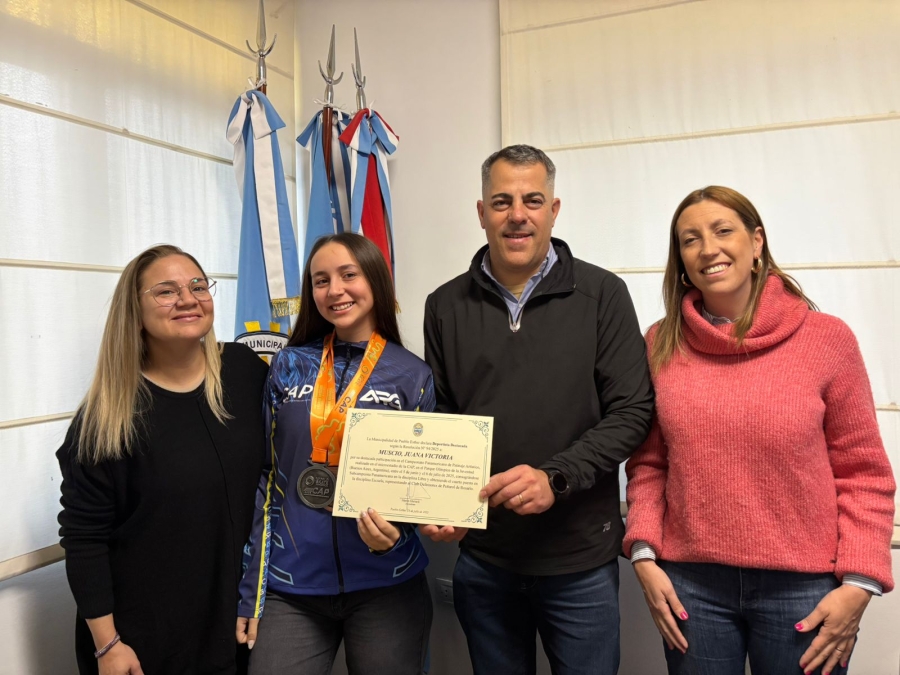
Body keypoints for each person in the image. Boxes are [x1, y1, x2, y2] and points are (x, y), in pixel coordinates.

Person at [624, 186, 896, 675]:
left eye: (723, 231)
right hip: (691, 587)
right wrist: (643, 552)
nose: (708, 248)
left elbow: (864, 472)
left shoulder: (827, 339)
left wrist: (860, 583)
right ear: (681, 260)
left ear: (757, 243)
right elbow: (649, 463)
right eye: (690, 239)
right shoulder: (660, 343)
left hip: (804, 589)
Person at [422, 144, 654, 675]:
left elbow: (633, 410)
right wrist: (445, 501)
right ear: (481, 213)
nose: (517, 214)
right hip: (484, 560)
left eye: (532, 200)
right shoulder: (445, 305)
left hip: (578, 563)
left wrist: (557, 477)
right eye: (501, 202)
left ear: (554, 209)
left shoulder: (602, 294)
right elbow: (444, 417)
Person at [57, 245, 269, 675]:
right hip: (141, 637)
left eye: (197, 285)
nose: (188, 299)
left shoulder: (245, 371)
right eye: (166, 291)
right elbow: (84, 539)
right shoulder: (108, 415)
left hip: (235, 623)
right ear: (133, 312)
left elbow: (279, 475)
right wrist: (108, 645)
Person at [235, 232, 435, 675]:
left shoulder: (412, 374)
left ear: (376, 281)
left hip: (387, 583)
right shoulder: (288, 366)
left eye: (349, 274)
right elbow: (266, 482)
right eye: (321, 280)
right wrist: (253, 589)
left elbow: (419, 488)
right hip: (291, 585)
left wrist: (395, 537)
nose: (335, 290)